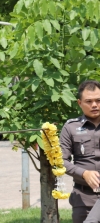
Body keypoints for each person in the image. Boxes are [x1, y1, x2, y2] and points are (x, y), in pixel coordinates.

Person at [60, 80, 100, 223]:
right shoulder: (70, 127)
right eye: (89, 101)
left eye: (98, 100)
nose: (94, 105)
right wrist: (84, 173)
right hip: (83, 197)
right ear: (79, 103)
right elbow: (61, 162)